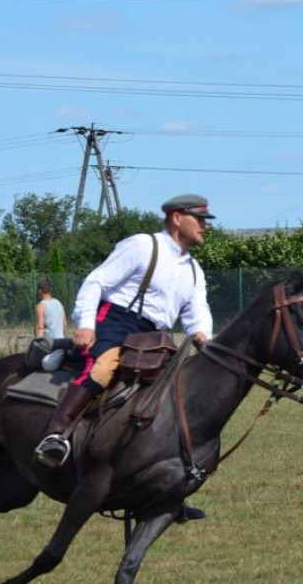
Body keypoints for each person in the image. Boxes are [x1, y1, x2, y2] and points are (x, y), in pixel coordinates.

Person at [33, 194, 215, 520]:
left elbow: (197, 311)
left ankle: (166, 487)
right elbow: (96, 281)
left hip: (155, 336)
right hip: (117, 321)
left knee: (174, 391)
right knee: (103, 367)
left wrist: (203, 334)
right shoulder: (143, 246)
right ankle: (54, 437)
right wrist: (86, 325)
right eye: (199, 219)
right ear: (177, 217)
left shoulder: (194, 270)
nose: (205, 226)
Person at [34, 280, 68, 371]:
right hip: (62, 341)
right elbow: (64, 324)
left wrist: (37, 343)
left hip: (50, 344)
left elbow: (40, 327)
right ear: (50, 290)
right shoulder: (59, 303)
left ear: (39, 291)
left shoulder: (41, 306)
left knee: (45, 365)